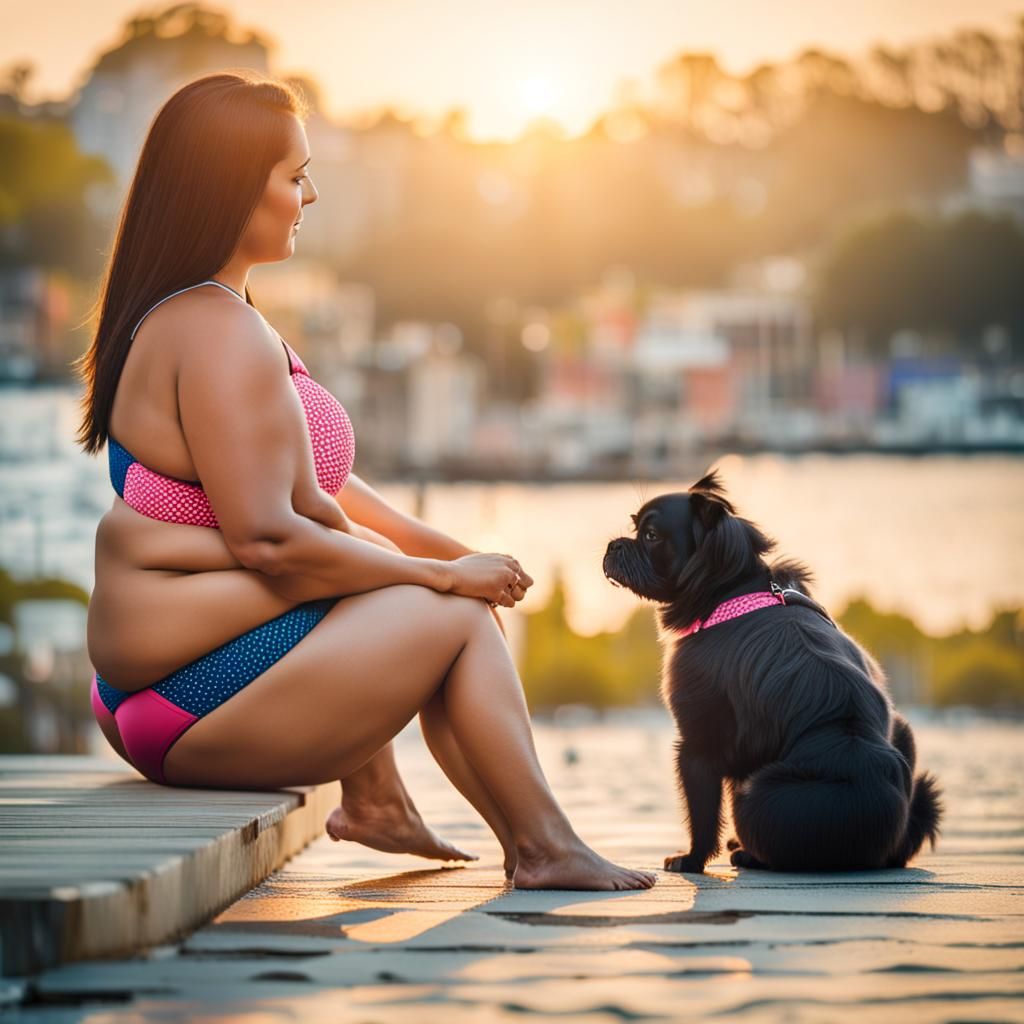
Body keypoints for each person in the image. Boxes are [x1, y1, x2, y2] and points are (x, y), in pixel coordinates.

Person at [74, 70, 655, 892]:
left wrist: (457, 557)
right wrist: (443, 576)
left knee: (430, 595)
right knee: (448, 618)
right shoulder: (214, 332)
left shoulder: (213, 318)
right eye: (294, 176)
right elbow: (269, 539)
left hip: (181, 685)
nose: (308, 196)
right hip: (192, 699)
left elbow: (332, 499)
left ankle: (384, 798)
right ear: (233, 189)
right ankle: (543, 847)